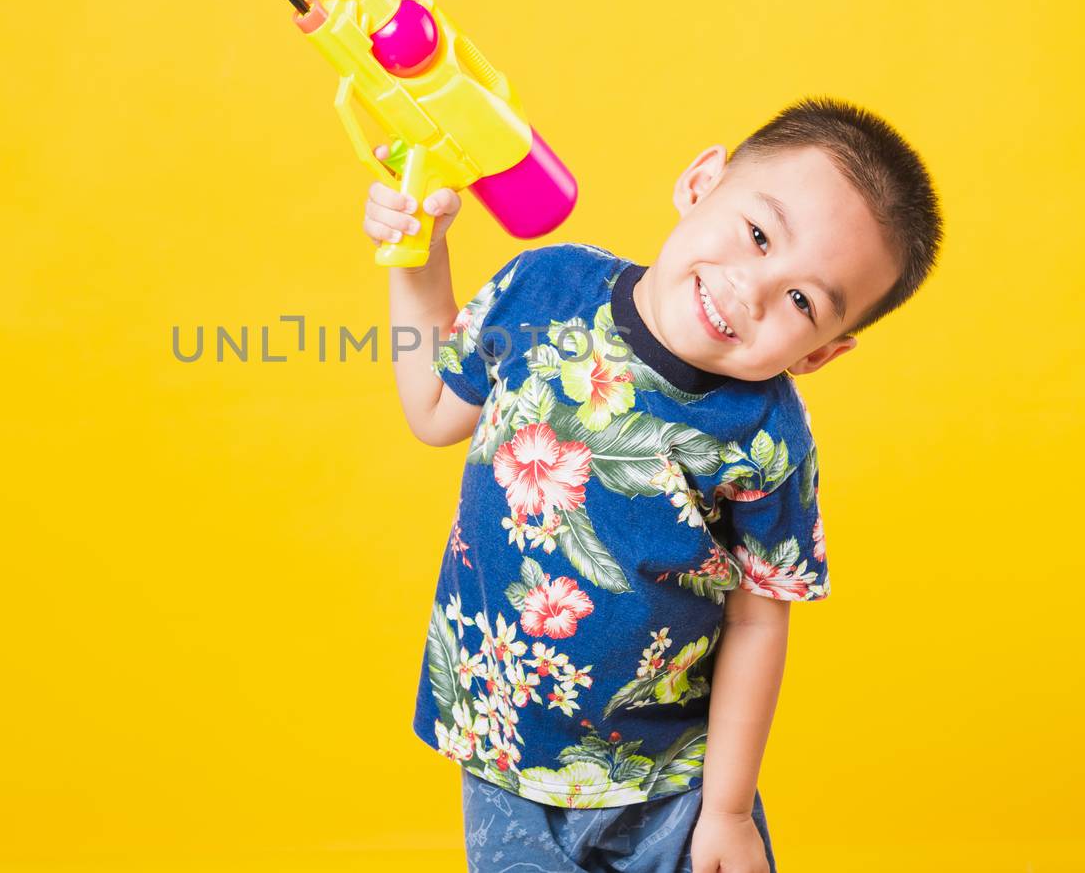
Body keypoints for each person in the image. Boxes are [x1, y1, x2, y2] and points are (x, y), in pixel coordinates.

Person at [367, 97, 944, 872]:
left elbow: (757, 624)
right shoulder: (543, 288)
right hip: (504, 754)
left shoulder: (766, 438)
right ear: (702, 182)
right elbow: (434, 408)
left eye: (803, 301)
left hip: (671, 784)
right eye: (759, 235)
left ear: (819, 353)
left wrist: (729, 811)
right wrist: (418, 260)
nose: (755, 289)